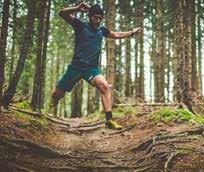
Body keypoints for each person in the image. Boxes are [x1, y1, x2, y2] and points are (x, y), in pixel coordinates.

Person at [50, 2, 143, 130]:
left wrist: (132, 32)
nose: (98, 20)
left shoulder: (102, 30)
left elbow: (116, 35)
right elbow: (62, 13)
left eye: (100, 18)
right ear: (90, 16)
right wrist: (77, 8)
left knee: (104, 86)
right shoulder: (80, 25)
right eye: (96, 17)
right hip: (76, 67)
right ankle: (55, 99)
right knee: (57, 94)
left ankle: (109, 120)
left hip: (91, 69)